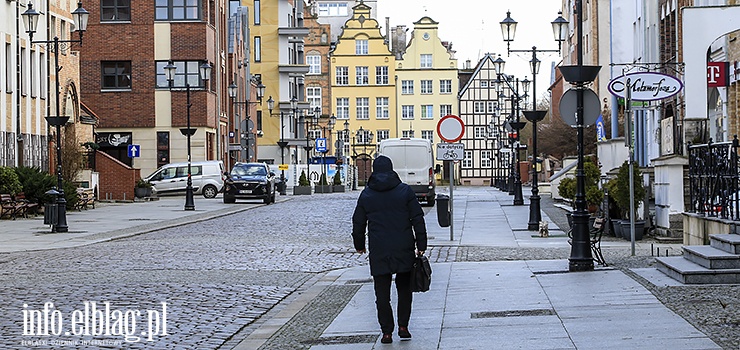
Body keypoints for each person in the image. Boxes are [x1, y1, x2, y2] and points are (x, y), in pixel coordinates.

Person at [352, 155, 427, 344]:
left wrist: (359, 244)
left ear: (374, 171)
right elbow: (417, 218)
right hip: (403, 246)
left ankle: (386, 332)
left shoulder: (367, 194)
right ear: (392, 169)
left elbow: (358, 222)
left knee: (382, 294)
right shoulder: (405, 191)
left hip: (379, 248)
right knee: (404, 289)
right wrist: (421, 245)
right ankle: (403, 326)